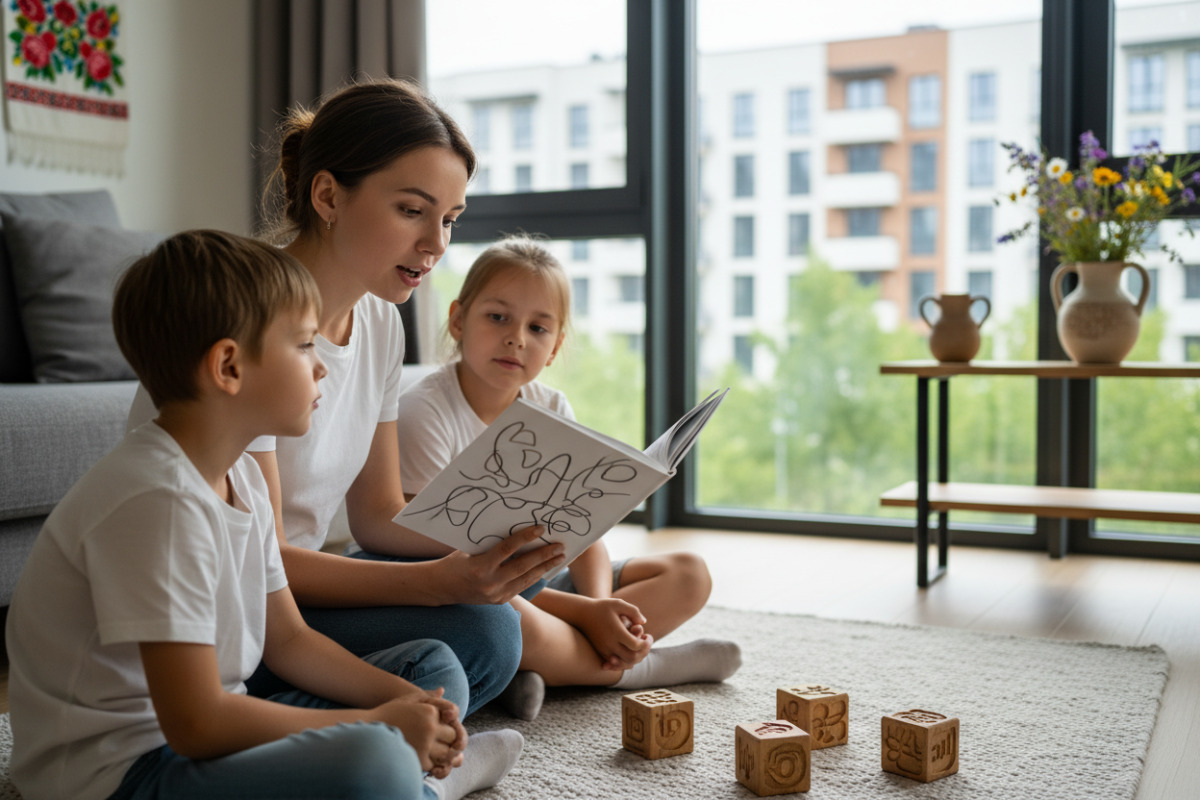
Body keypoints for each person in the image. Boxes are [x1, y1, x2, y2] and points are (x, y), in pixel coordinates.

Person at [6, 230, 520, 800]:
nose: (322, 367)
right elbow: (196, 724)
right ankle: (427, 789)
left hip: (217, 727)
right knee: (372, 757)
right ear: (228, 366)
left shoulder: (241, 474)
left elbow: (289, 640)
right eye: (303, 346)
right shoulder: (157, 502)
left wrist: (402, 704)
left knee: (430, 671)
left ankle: (410, 779)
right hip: (125, 773)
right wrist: (379, 724)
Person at [126, 79, 563, 723]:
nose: (436, 244)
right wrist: (436, 582)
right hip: (251, 602)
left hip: (303, 591)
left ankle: (394, 701)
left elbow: (379, 514)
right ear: (328, 195)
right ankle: (334, 714)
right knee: (489, 633)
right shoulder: (256, 331)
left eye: (448, 219)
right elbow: (264, 562)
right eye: (412, 211)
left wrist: (493, 534)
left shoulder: (381, 320)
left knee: (507, 591)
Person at [392, 235, 742, 720]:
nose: (517, 337)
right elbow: (433, 553)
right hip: (475, 588)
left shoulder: (551, 407)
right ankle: (641, 668)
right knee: (509, 622)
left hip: (546, 577)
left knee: (689, 575)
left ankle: (541, 671)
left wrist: (600, 605)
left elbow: (585, 531)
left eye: (538, 327)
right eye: (497, 317)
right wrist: (583, 615)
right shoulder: (425, 411)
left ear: (554, 347)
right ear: (458, 320)